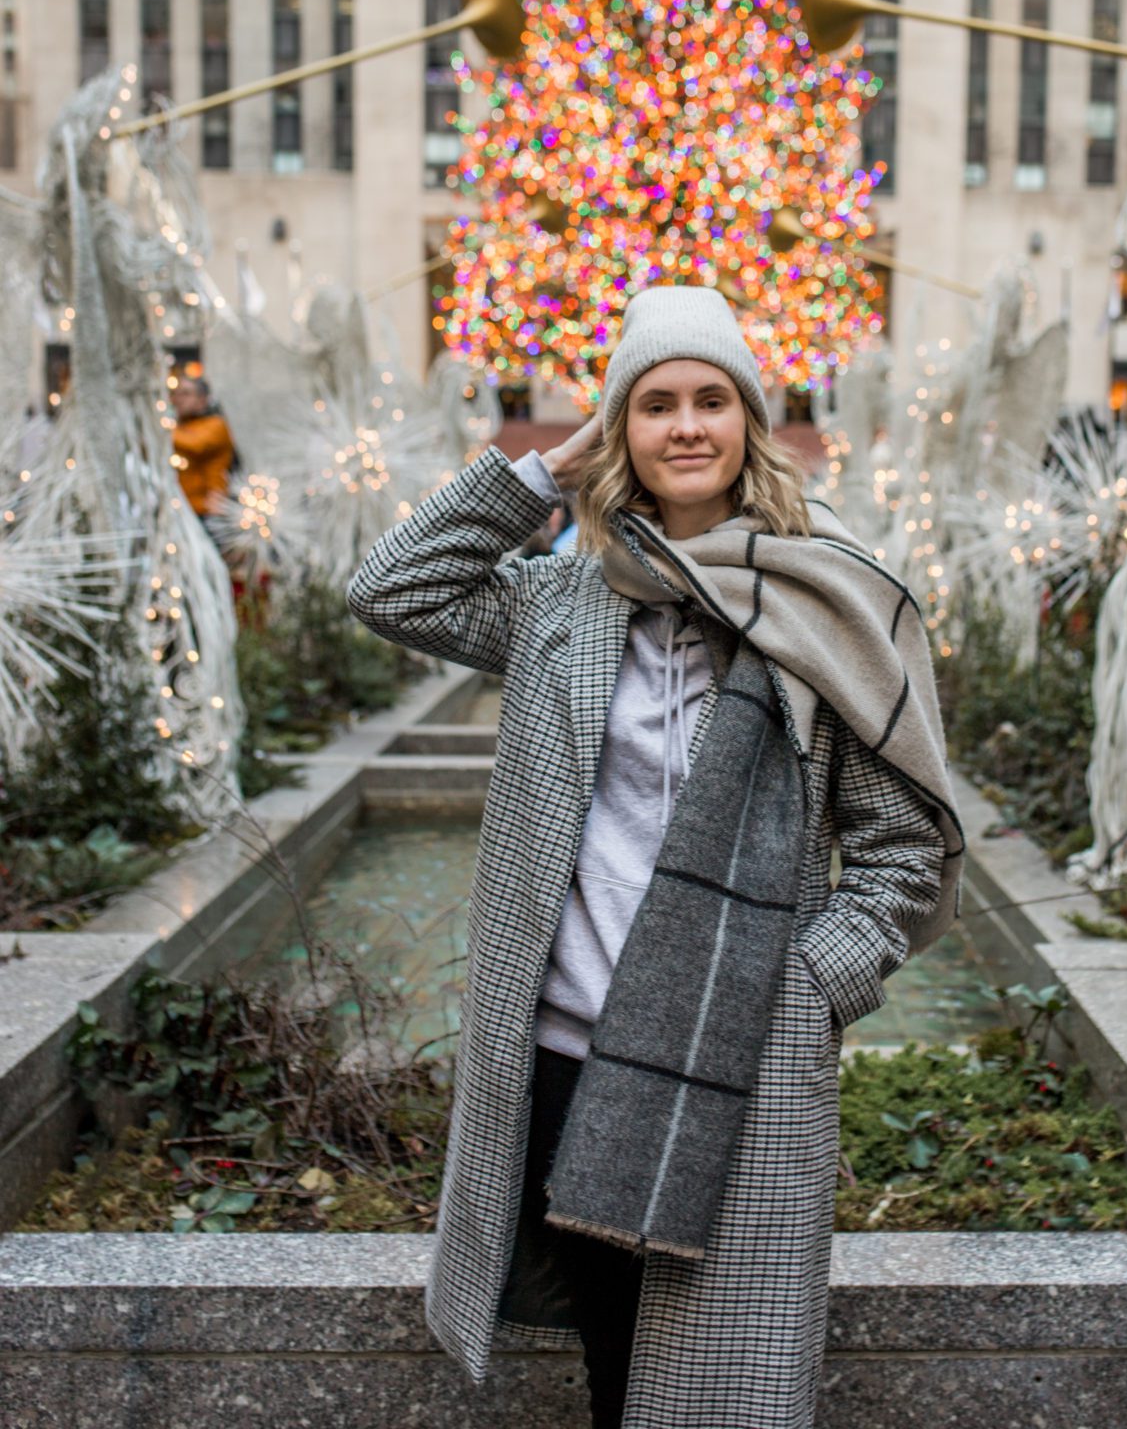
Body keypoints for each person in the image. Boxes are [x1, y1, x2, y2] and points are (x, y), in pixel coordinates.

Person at [348, 286, 962, 1429]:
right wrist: (544, 469)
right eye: (656, 402)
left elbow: (900, 846)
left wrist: (809, 989)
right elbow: (390, 586)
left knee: (723, 1378)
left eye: (712, 400)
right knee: (616, 1370)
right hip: (569, 1052)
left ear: (751, 423)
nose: (686, 426)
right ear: (620, 429)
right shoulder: (558, 603)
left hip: (745, 1057)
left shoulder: (827, 602)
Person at [170, 372, 235, 523]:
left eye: (186, 394)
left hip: (208, 513)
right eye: (175, 394)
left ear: (202, 399)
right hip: (182, 511)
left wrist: (162, 428)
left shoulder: (216, 425)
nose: (178, 399)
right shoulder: (180, 427)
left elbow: (196, 445)